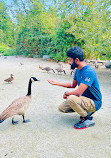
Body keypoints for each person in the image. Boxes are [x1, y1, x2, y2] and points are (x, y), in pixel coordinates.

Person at [47, 46, 102, 129]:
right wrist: (57, 83)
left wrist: (66, 93)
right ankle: (86, 112)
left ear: (76, 60)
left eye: (70, 60)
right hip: (84, 99)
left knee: (71, 98)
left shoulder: (88, 71)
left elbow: (78, 92)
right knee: (62, 108)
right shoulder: (77, 70)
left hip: (94, 102)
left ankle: (88, 119)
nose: (69, 62)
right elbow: (73, 85)